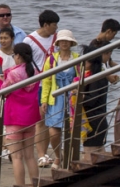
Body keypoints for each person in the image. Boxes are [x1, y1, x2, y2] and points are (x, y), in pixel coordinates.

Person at [1, 42, 40, 186]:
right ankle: (37, 186)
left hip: (14, 117)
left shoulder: (13, 73)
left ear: (17, 55)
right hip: (30, 117)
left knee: (17, 157)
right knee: (30, 156)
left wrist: (1, 81)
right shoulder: (35, 71)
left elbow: (3, 91)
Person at [40, 31, 79, 167]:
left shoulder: (78, 58)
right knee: (54, 131)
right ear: (57, 43)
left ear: (71, 43)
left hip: (72, 98)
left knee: (72, 130)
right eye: (62, 40)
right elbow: (46, 82)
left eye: (67, 40)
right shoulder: (51, 59)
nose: (64, 43)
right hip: (55, 99)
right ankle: (58, 156)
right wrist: (44, 100)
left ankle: (72, 157)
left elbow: (82, 77)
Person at [25, 9, 59, 161]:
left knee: (52, 119)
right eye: (54, 25)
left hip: (55, 83)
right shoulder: (29, 41)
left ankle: (46, 153)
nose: (56, 28)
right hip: (38, 85)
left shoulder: (58, 39)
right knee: (41, 119)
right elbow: (24, 64)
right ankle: (40, 155)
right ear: (45, 25)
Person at [82, 20, 120, 154]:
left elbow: (109, 62)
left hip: (96, 107)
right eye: (114, 34)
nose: (113, 37)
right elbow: (100, 65)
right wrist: (108, 75)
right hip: (96, 89)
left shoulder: (107, 48)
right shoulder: (95, 46)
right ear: (108, 31)